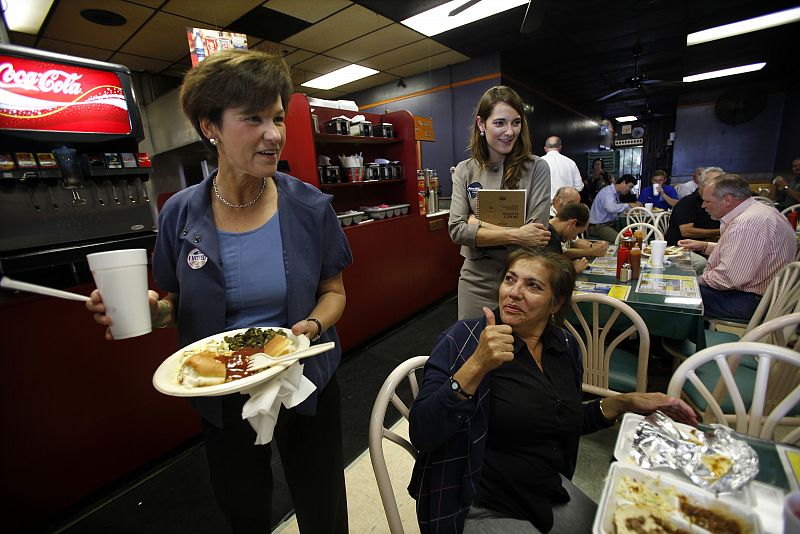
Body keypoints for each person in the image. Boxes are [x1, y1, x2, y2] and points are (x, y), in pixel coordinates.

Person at [86, 50, 352, 534]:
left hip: (303, 374)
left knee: (323, 502)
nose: (273, 133)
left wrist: (310, 328)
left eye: (276, 116)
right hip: (221, 386)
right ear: (210, 125)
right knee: (243, 506)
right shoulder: (179, 214)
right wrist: (152, 311)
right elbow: (172, 303)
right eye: (253, 118)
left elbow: (335, 292)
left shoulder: (310, 207)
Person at [408, 249, 698, 534]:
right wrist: (476, 365)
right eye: (510, 280)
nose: (514, 292)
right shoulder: (463, 339)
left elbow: (559, 419)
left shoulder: (564, 345)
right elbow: (423, 432)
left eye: (533, 285)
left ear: (556, 303)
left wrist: (623, 402)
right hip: (472, 503)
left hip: (542, 491)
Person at [449, 85, 551, 320]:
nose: (509, 131)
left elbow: (536, 235)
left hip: (522, 280)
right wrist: (517, 235)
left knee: (518, 353)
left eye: (516, 123)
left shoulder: (536, 168)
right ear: (481, 124)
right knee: (474, 348)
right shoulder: (465, 170)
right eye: (500, 123)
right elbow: (457, 231)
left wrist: (479, 224)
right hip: (476, 281)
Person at [679, 173, 797, 321]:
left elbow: (727, 279)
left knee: (673, 297)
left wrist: (690, 281)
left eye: (707, 201)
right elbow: (743, 252)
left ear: (727, 200)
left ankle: (671, 342)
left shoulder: (746, 224)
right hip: (765, 296)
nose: (703, 206)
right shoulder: (759, 210)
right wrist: (705, 246)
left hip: (751, 301)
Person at [665, 167, 724, 274]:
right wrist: (719, 231)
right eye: (714, 183)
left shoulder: (720, 203)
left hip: (706, 245)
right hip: (679, 247)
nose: (719, 187)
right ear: (701, 184)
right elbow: (686, 231)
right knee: (702, 262)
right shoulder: (687, 202)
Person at [551, 186, 608, 258]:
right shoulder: (548, 221)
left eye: (577, 204)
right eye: (571, 203)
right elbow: (559, 252)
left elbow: (575, 241)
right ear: (557, 201)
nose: (575, 208)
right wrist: (592, 251)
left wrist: (593, 246)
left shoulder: (568, 219)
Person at [545, 201, 597, 273]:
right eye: (577, 233)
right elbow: (552, 275)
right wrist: (573, 269)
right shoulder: (550, 237)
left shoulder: (548, 228)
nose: (574, 238)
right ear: (573, 223)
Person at [587, 174, 637, 242]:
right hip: (599, 226)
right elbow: (611, 208)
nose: (630, 190)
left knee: (632, 233)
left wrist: (630, 207)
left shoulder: (615, 193)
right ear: (623, 182)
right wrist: (628, 205)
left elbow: (615, 208)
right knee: (623, 240)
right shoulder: (608, 192)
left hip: (608, 224)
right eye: (630, 187)